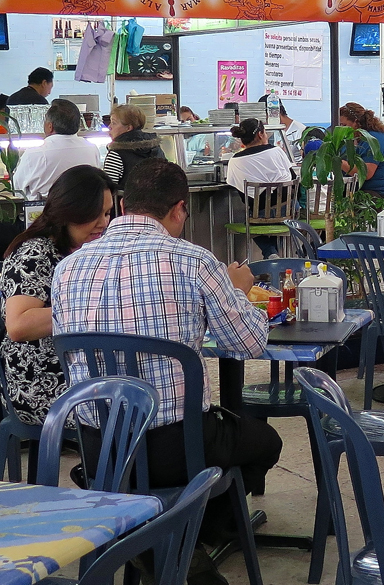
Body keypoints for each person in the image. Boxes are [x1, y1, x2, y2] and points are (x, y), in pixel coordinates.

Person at [51, 157, 279, 584]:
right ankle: (193, 533)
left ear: (121, 205)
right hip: (177, 448)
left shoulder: (67, 269)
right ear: (179, 209)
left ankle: (165, 539)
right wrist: (238, 292)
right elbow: (248, 343)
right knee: (265, 443)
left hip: (101, 450)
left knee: (225, 438)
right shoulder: (195, 262)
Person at [0, 166, 113, 427]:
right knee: (135, 408)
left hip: (77, 371)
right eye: (94, 215)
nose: (103, 223)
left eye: (107, 213)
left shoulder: (83, 250)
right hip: (39, 384)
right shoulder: (35, 253)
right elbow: (19, 325)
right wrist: (93, 308)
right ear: (68, 211)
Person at [226, 117, 296, 259]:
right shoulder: (277, 151)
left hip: (260, 215)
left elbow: (243, 196)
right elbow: (293, 179)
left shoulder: (234, 161)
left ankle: (270, 254)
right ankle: (274, 260)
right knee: (278, 220)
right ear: (260, 134)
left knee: (250, 220)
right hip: (289, 210)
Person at [13, 99, 101, 200]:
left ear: (50, 126)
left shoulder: (34, 154)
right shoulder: (92, 149)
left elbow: (17, 190)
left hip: (46, 212)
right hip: (86, 211)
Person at [339, 103, 384, 207]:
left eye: (344, 125)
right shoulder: (353, 140)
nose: (341, 129)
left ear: (356, 122)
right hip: (363, 189)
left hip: (383, 194)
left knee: (348, 204)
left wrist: (338, 162)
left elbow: (366, 173)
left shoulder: (373, 140)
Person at [102, 104, 165, 187]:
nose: (110, 127)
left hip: (128, 199)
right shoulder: (156, 149)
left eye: (114, 123)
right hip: (158, 199)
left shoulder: (116, 154)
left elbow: (108, 188)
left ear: (128, 128)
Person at [258, 94, 307, 161]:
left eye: (265, 117)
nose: (265, 121)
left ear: (275, 112)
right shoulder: (277, 130)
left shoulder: (299, 130)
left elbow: (305, 161)